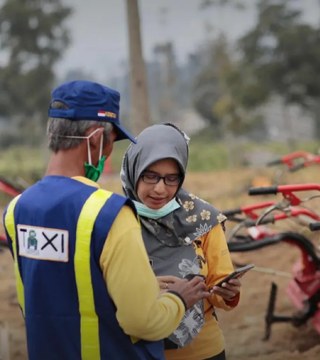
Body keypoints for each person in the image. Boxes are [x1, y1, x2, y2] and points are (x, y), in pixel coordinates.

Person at [2, 81, 211, 360]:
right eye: (112, 142)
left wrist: (139, 284)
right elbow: (143, 322)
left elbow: (58, 288)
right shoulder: (109, 214)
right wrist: (179, 299)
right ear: (96, 138)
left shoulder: (16, 210)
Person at [121, 123, 242, 360]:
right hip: (137, 351)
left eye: (171, 179)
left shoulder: (204, 220)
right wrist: (146, 289)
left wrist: (228, 293)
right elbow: (101, 289)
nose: (160, 189)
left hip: (202, 351)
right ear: (134, 169)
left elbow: (219, 286)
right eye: (150, 176)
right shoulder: (115, 219)